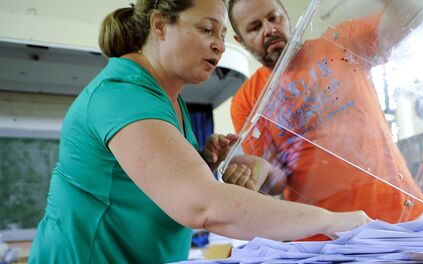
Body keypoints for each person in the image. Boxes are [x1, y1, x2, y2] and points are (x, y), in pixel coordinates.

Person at [28, 0, 371, 263]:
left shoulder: (169, 103)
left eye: (222, 35)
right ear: (160, 25)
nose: (220, 46)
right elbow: (205, 207)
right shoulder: (121, 94)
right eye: (208, 30)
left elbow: (157, 189)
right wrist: (333, 221)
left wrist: (210, 165)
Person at [227, 0, 423, 240]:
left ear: (287, 16)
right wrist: (257, 176)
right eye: (254, 27)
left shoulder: (341, 40)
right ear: (240, 40)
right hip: (320, 237)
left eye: (274, 18)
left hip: (398, 214)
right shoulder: (247, 101)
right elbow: (277, 182)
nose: (269, 29)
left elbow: (412, 16)